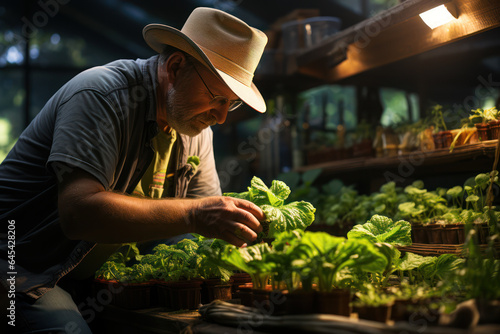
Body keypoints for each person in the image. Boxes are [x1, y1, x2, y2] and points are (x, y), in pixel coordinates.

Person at [0, 7, 268, 333]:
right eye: (217, 97)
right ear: (176, 67)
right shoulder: (102, 95)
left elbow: (200, 236)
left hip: (89, 270)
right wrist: (195, 214)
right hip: (20, 264)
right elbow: (79, 213)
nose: (222, 116)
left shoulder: (197, 130)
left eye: (232, 103)